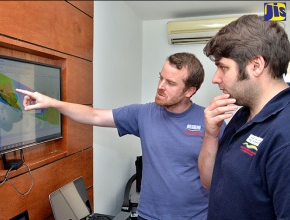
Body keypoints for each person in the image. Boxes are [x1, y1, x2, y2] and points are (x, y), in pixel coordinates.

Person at [16, 52, 224, 220]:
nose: (160, 86)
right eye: (160, 77)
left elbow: (218, 178)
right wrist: (52, 102)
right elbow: (95, 115)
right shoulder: (144, 114)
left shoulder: (210, 123)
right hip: (148, 216)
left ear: (190, 91)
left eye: (170, 83)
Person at [198, 14, 290, 219]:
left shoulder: (285, 135)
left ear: (256, 65)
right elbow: (209, 181)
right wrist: (211, 136)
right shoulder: (242, 114)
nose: (215, 79)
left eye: (223, 67)